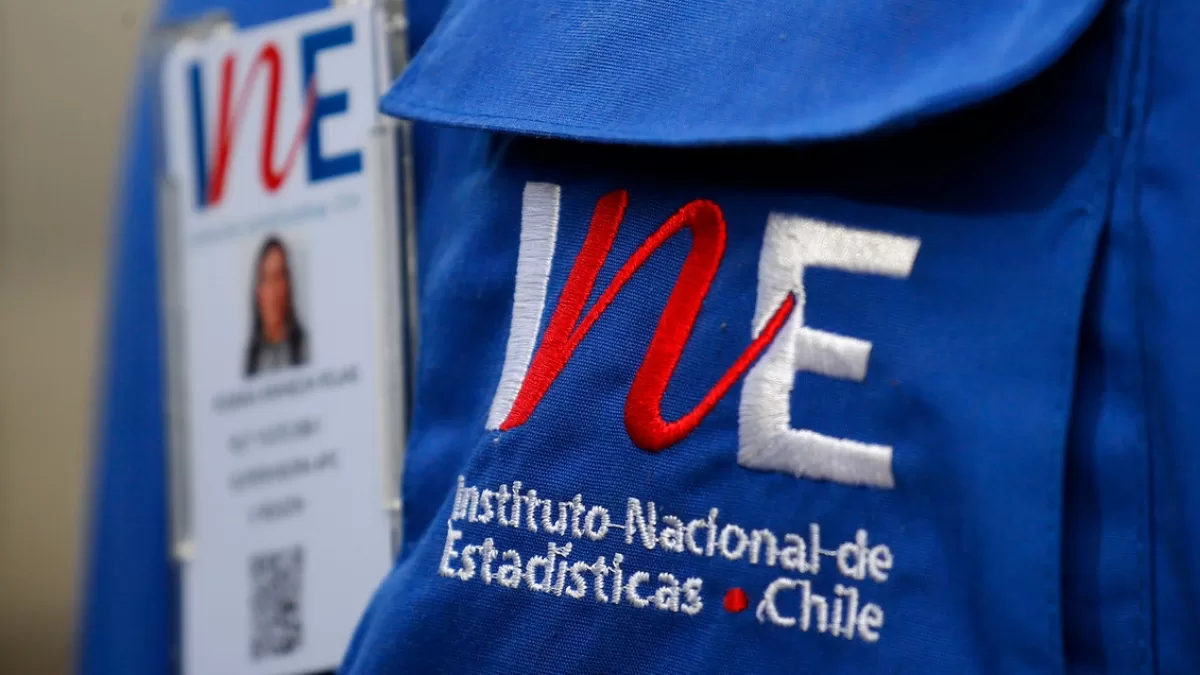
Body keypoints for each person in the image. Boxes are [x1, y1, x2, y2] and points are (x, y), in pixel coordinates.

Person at [244, 235, 307, 377]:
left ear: (288, 285)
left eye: (278, 278)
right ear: (258, 291)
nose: (273, 293)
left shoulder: (304, 346)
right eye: (266, 279)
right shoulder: (250, 358)